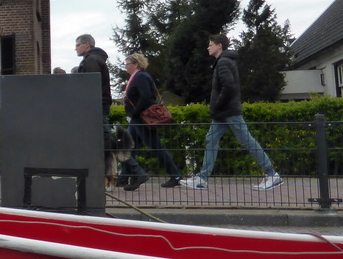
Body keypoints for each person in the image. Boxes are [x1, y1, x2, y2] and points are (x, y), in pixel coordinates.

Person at [181, 34, 282, 191]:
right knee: (211, 140)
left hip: (228, 111)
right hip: (223, 113)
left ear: (219, 46)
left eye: (211, 44)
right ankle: (201, 178)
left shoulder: (223, 63)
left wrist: (216, 105)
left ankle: (272, 175)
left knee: (247, 141)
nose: (208, 47)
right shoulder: (224, 61)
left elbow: (229, 87)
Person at [121, 53, 180, 189]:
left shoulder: (141, 76)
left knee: (155, 146)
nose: (125, 66)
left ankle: (175, 175)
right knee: (128, 147)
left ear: (135, 64)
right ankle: (125, 178)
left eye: (127, 64)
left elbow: (146, 96)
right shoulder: (137, 77)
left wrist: (135, 112)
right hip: (137, 118)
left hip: (141, 118)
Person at [75, 34, 113, 148]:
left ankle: (132, 165)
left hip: (96, 106)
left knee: (108, 141)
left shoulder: (91, 60)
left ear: (86, 45)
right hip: (97, 105)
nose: (75, 48)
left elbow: (91, 85)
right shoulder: (93, 59)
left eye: (78, 45)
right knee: (105, 139)